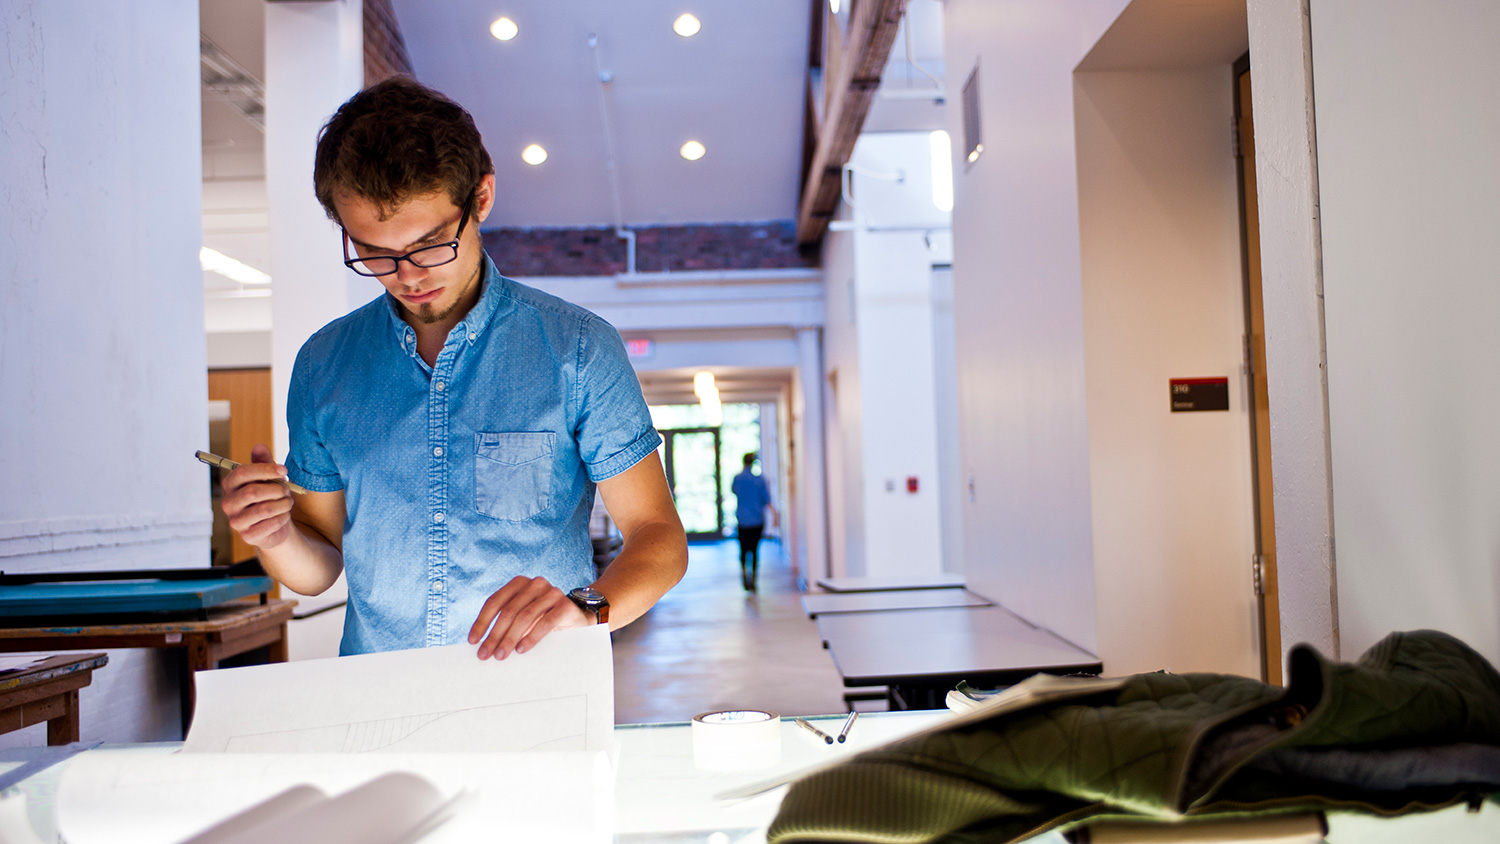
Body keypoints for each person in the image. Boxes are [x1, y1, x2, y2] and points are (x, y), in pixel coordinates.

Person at [220, 78, 687, 659]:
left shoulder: (579, 349)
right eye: (376, 253)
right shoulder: (323, 365)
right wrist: (276, 533)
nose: (409, 274)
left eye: (432, 243)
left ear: (482, 198)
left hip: (540, 700)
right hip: (380, 702)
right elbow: (317, 565)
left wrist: (588, 607)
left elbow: (658, 536)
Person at [730, 452, 777, 591]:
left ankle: (744, 574)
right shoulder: (760, 480)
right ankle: (754, 579)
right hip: (757, 520)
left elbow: (734, 491)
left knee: (743, 549)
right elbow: (766, 500)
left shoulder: (737, 479)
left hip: (743, 520)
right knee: (755, 550)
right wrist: (775, 516)